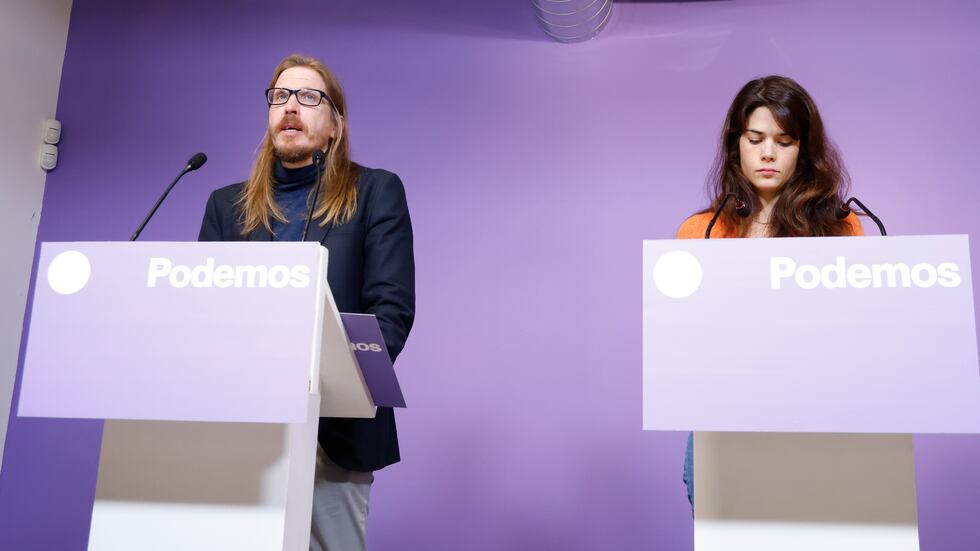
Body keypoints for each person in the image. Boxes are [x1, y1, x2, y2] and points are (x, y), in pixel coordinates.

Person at [198, 54, 415, 551]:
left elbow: (391, 309)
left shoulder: (376, 191)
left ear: (336, 124)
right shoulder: (225, 207)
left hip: (334, 435)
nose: (290, 106)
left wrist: (336, 379)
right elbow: (204, 313)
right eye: (280, 96)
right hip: (242, 426)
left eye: (309, 97)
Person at [675, 75, 863, 508]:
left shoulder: (841, 227)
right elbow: (684, 338)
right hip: (725, 417)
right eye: (755, 138)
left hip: (817, 415)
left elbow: (854, 330)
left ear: (804, 150)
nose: (767, 153)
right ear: (735, 144)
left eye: (784, 141)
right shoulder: (701, 231)